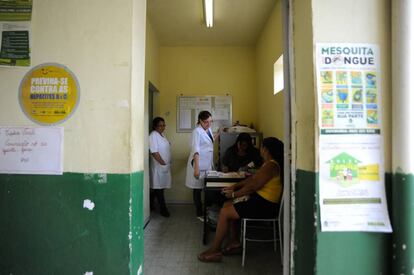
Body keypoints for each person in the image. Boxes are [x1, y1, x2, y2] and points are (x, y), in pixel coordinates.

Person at [197, 137, 284, 262]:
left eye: (262, 147)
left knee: (225, 212)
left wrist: (234, 194)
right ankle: (234, 242)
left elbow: (253, 186)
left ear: (265, 149)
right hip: (260, 201)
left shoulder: (271, 166)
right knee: (227, 204)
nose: (260, 149)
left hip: (265, 206)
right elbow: (252, 179)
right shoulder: (268, 164)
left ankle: (215, 251)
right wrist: (235, 186)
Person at [185, 110, 221, 219]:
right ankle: (199, 212)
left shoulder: (208, 129)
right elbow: (196, 150)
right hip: (198, 163)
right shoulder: (197, 131)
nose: (209, 124)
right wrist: (196, 168)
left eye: (211, 121)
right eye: (206, 122)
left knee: (206, 187)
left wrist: (219, 133)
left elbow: (210, 140)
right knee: (197, 189)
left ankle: (207, 210)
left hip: (206, 164)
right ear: (200, 121)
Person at [149, 117, 172, 217]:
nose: (162, 127)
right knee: (158, 188)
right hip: (158, 166)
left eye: (164, 125)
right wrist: (162, 162)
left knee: (160, 187)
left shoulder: (162, 134)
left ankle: (150, 203)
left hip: (164, 166)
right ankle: (163, 209)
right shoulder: (153, 135)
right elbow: (154, 151)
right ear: (155, 126)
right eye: (160, 125)